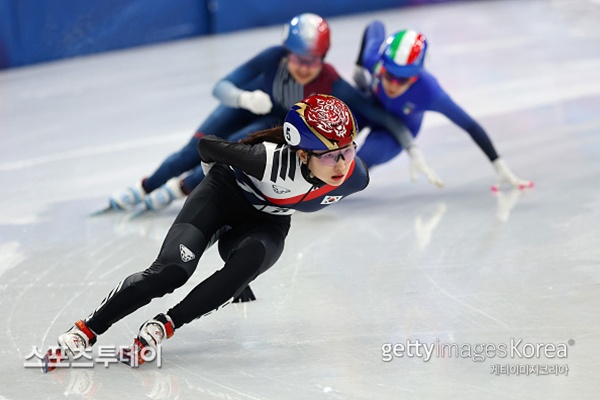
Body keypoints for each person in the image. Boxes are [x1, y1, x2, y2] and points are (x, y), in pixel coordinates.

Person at [44, 94, 370, 371]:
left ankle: (165, 324)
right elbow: (208, 146)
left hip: (265, 223)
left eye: (348, 150)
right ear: (301, 153)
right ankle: (86, 330)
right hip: (221, 199)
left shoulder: (356, 178)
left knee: (249, 262)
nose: (342, 165)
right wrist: (212, 187)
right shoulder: (267, 162)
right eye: (330, 155)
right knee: (171, 273)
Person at [106, 13, 441, 214]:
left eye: (313, 61)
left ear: (324, 58)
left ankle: (176, 190)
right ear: (285, 52)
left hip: (273, 122)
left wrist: (412, 148)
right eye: (297, 59)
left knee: (232, 150)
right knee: (190, 151)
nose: (304, 68)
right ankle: (145, 186)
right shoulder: (271, 57)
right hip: (247, 106)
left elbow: (384, 118)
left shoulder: (334, 83)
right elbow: (221, 87)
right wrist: (243, 97)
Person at [352, 21, 533, 190]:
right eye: (389, 75)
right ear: (382, 66)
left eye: (402, 80)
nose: (393, 85)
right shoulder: (373, 61)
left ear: (415, 77)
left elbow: (470, 125)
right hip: (368, 109)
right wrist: (359, 65)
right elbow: (375, 24)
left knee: (358, 164)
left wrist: (499, 165)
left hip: (394, 133)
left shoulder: (429, 91)